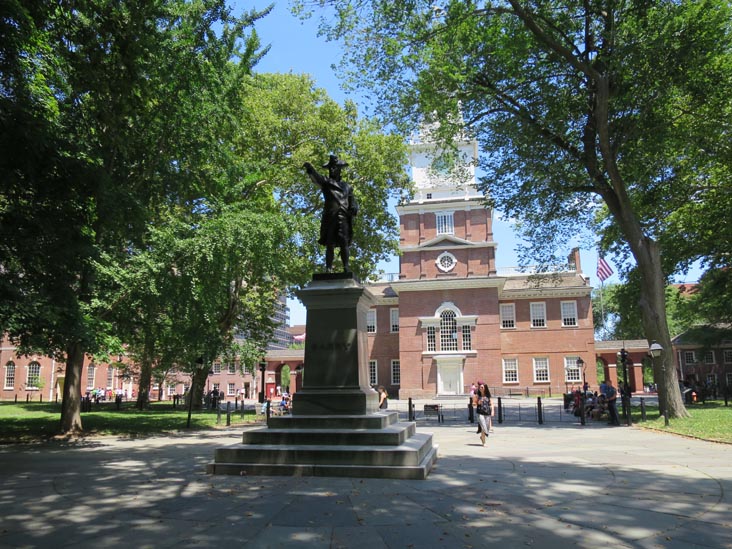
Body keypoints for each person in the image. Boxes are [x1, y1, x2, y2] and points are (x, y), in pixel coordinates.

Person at [303, 155, 358, 273]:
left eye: (334, 167)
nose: (332, 170)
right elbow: (317, 178)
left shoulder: (347, 186)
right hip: (330, 217)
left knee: (344, 243)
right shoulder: (326, 182)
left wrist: (354, 207)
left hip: (343, 217)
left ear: (339, 169)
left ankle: (346, 267)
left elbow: (352, 201)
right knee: (330, 244)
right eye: (330, 168)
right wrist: (310, 169)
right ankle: (328, 267)